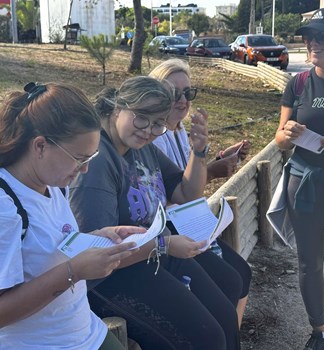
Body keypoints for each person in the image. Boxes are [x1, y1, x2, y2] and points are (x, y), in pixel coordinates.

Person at [69, 76, 242, 350]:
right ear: (117, 107)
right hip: (113, 277)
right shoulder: (100, 160)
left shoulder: (142, 148)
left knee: (226, 304)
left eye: (158, 123)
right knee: (206, 338)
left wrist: (199, 152)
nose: (148, 129)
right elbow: (98, 254)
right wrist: (164, 245)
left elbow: (186, 193)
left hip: (154, 254)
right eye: (141, 117)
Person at [0, 82, 143, 349]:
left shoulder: (54, 186)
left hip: (85, 332)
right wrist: (74, 271)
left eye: (91, 157)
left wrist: (97, 238)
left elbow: (49, 246)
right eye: (79, 159)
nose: (85, 169)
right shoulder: (5, 207)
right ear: (40, 146)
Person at [149, 58, 252, 328]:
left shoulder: (180, 130)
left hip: (192, 220)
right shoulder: (152, 137)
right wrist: (213, 167)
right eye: (174, 93)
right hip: (174, 229)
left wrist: (217, 159)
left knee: (242, 275)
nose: (183, 100)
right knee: (231, 281)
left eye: (188, 93)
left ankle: (229, 336)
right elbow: (175, 192)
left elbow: (189, 178)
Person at [272, 7, 324, 350]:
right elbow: (277, 137)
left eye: (321, 35)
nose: (312, 43)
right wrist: (287, 133)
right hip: (303, 184)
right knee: (309, 263)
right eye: (309, 36)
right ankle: (320, 333)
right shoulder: (298, 82)